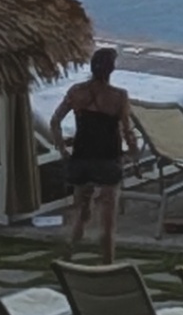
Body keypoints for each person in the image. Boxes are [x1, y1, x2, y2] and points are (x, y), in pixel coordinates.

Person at [51, 47, 135, 258]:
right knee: (108, 223)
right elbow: (127, 131)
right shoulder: (119, 96)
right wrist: (134, 154)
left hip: (81, 158)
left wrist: (62, 149)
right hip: (107, 160)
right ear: (112, 69)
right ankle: (108, 265)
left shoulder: (76, 92)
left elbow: (55, 121)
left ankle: (68, 253)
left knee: (81, 213)